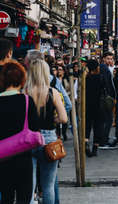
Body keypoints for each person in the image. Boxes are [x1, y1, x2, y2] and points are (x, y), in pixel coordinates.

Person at [25, 59, 68, 204]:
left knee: (29, 186)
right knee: (48, 185)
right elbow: (63, 118)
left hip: (29, 139)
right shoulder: (53, 92)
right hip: (49, 140)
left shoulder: (25, 92)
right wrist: (53, 120)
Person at [0, 62, 40, 204]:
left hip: (2, 159)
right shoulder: (27, 101)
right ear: (22, 79)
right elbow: (35, 128)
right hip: (23, 158)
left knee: (5, 198)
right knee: (24, 198)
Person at [85, 60, 105, 157]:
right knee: (98, 126)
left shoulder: (85, 78)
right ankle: (95, 148)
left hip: (87, 105)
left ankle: (86, 143)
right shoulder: (101, 78)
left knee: (87, 125)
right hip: (99, 105)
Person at [99, 52, 117, 149]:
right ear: (104, 59)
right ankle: (103, 140)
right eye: (108, 58)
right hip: (106, 98)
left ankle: (103, 139)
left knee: (106, 120)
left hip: (105, 97)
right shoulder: (104, 68)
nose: (110, 60)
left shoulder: (104, 68)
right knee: (108, 119)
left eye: (111, 58)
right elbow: (107, 84)